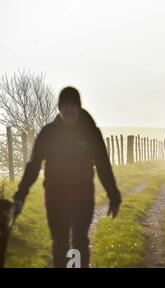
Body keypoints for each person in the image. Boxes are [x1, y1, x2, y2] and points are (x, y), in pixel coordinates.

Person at [12, 86, 121, 268]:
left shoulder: (92, 133)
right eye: (65, 106)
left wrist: (114, 196)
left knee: (79, 241)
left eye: (73, 106)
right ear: (59, 108)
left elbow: (103, 166)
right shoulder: (48, 134)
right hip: (55, 199)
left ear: (79, 108)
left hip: (83, 199)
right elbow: (33, 166)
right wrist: (20, 196)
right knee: (60, 245)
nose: (69, 110)